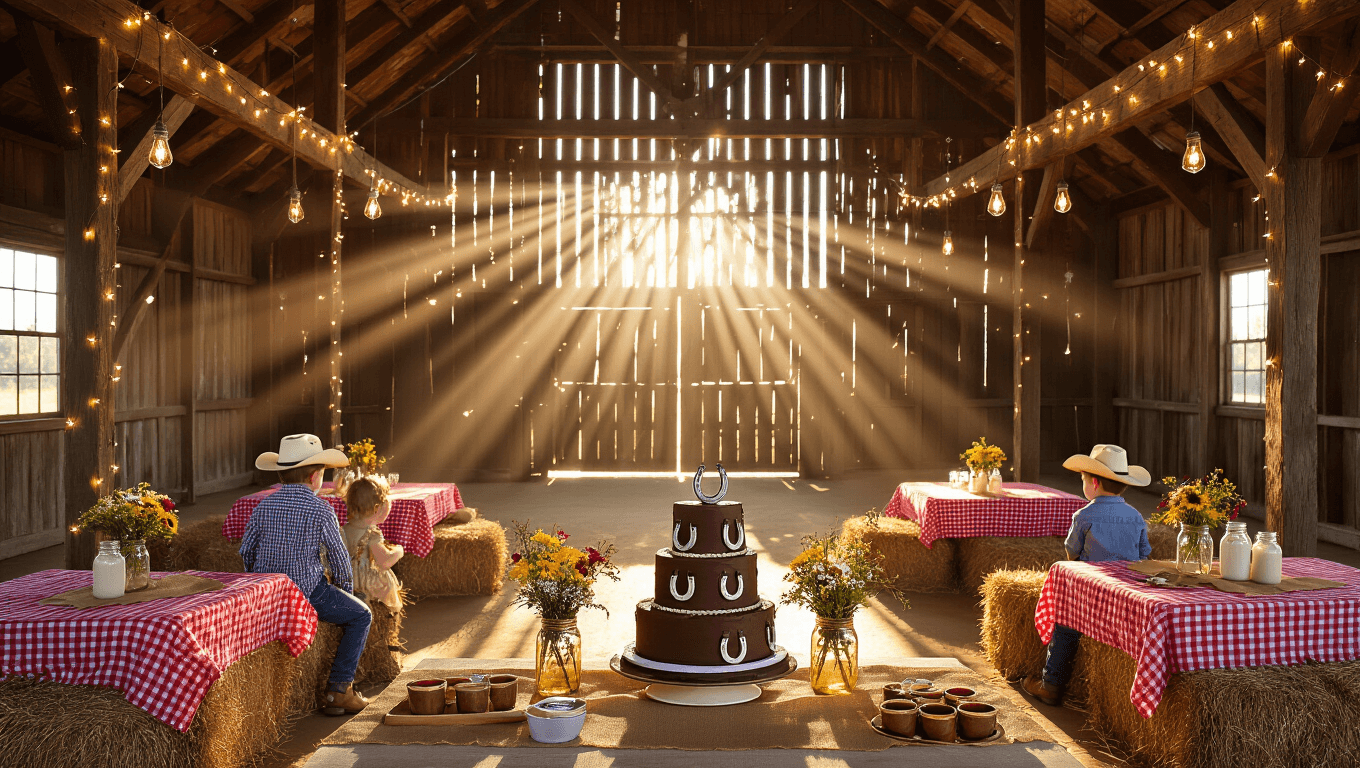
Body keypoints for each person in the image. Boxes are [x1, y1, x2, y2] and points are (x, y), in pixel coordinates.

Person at [241, 434, 373, 716]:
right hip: (307, 594)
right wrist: (346, 590)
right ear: (315, 477)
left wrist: (256, 580)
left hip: (268, 593)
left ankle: (340, 691)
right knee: (362, 615)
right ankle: (339, 690)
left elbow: (246, 550)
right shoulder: (321, 509)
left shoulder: (263, 505)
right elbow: (339, 558)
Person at [1023, 444, 1152, 707]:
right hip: (1125, 593)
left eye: (1082, 480)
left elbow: (1072, 552)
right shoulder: (1136, 516)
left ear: (1093, 483)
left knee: (1065, 625)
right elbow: (1143, 554)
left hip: (1091, 591)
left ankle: (1051, 684)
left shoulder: (1084, 515)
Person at [342, 475, 405, 612]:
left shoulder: (344, 529)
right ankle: (380, 609)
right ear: (379, 508)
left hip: (347, 582)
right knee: (386, 582)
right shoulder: (372, 534)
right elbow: (383, 561)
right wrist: (399, 551)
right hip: (367, 585)